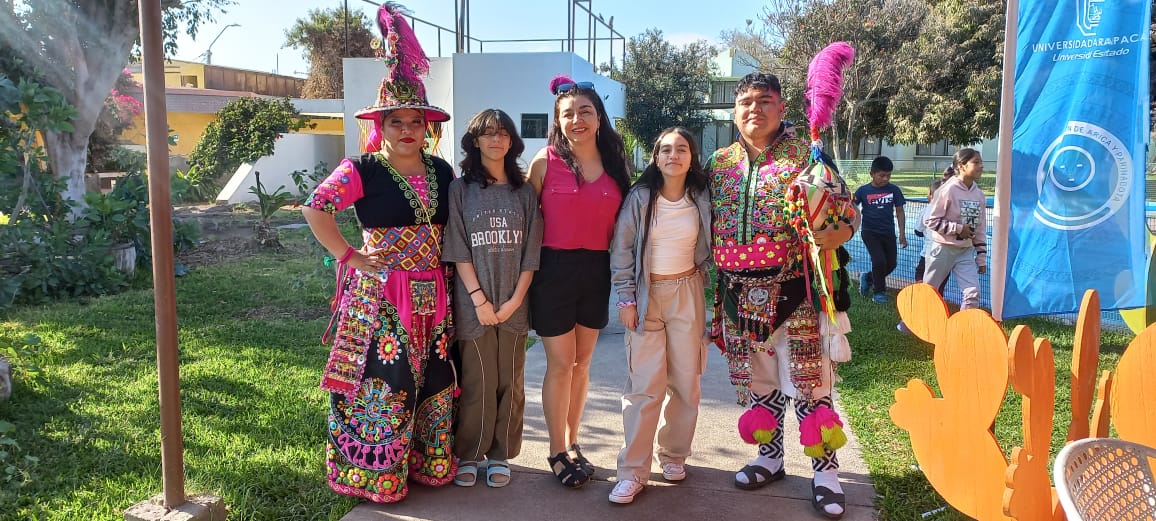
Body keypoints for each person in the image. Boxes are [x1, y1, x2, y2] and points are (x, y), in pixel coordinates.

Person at [302, 3, 457, 504]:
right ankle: (375, 472)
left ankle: (425, 463)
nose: (407, 130)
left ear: (427, 126)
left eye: (415, 121)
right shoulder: (360, 169)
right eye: (396, 122)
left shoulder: (441, 171)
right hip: (381, 291)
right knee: (382, 377)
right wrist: (348, 256)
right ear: (382, 125)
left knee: (432, 374)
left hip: (434, 288)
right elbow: (315, 208)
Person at [707, 71, 856, 519]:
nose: (755, 109)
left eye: (765, 101)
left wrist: (840, 228)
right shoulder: (718, 162)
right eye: (747, 102)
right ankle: (769, 458)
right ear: (735, 111)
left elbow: (846, 213)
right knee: (761, 384)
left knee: (811, 384)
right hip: (738, 296)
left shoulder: (807, 154)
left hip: (797, 291)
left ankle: (825, 472)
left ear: (781, 108)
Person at [527, 75, 630, 488]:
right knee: (559, 364)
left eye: (585, 111)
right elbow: (525, 221)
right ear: (558, 120)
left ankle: (572, 441)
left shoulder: (616, 167)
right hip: (552, 271)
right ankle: (556, 449)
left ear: (599, 117)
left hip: (596, 271)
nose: (577, 119)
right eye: (568, 114)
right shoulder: (544, 161)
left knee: (582, 364)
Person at [607, 127, 712, 504]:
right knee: (644, 387)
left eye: (681, 149)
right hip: (647, 294)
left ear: (691, 156)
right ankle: (633, 471)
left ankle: (674, 455)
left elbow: (714, 243)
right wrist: (626, 299)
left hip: (688, 292)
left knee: (687, 382)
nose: (673, 155)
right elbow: (621, 251)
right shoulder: (639, 198)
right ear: (655, 157)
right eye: (665, 149)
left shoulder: (701, 195)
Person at [443, 109, 543, 488]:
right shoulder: (460, 189)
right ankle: (469, 453)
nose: (496, 140)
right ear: (475, 141)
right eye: (487, 134)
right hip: (475, 305)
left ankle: (500, 454)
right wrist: (480, 300)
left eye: (503, 133)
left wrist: (516, 300)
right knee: (478, 381)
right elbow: (458, 247)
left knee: (510, 382)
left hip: (514, 303)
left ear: (512, 141)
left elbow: (532, 252)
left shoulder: (524, 191)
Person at [923, 148, 988, 310]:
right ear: (961, 166)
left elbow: (979, 227)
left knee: (973, 292)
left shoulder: (979, 195)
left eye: (981, 162)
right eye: (976, 162)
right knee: (929, 292)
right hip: (942, 250)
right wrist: (958, 229)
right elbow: (930, 221)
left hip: (965, 252)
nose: (981, 166)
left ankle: (964, 331)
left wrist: (981, 256)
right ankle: (911, 324)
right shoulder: (947, 190)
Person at [897, 176, 949, 334]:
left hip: (928, 257)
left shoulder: (927, 210)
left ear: (930, 195)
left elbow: (918, 231)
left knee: (923, 289)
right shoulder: (952, 211)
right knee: (938, 291)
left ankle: (910, 321)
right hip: (947, 259)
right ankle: (934, 321)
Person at [853, 156, 906, 304]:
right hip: (870, 232)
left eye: (888, 175)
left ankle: (868, 277)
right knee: (879, 261)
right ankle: (879, 292)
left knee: (891, 264)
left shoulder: (894, 190)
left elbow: (900, 211)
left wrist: (902, 233)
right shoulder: (863, 191)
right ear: (872, 174)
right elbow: (851, 208)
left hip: (888, 233)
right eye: (881, 175)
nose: (885, 179)